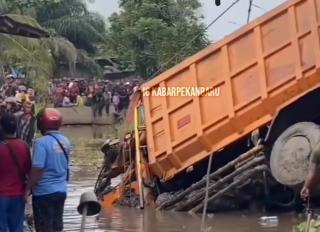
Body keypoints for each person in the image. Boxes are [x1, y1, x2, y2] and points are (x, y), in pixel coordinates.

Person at [26, 108, 71, 232]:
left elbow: (37, 169)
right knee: (57, 227)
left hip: (44, 193)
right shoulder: (66, 141)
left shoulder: (41, 143)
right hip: (61, 190)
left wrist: (28, 188)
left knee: (44, 228)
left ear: (41, 124)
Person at [0, 113, 31, 232]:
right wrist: (28, 190)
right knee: (17, 228)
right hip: (18, 196)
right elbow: (29, 170)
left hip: (1, 196)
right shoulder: (23, 146)